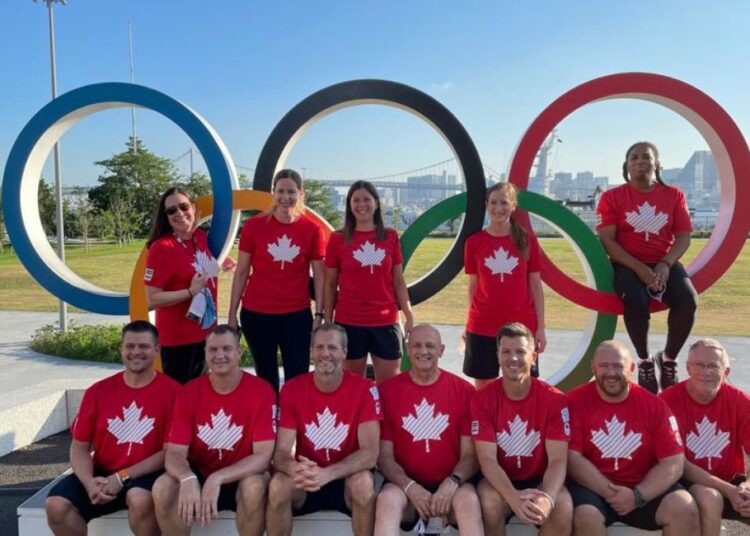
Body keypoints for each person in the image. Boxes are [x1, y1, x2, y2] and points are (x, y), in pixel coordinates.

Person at [45, 321, 181, 536]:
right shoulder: (98, 392)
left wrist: (122, 476)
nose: (136, 352)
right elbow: (79, 447)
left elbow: (170, 453)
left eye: (143, 346)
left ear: (157, 350)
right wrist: (89, 482)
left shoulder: (175, 394)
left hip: (148, 474)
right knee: (56, 505)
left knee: (140, 498)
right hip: (103, 472)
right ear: (121, 349)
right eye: (130, 346)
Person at [152, 325, 276, 536]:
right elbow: (174, 453)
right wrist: (186, 477)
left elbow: (263, 457)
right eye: (213, 350)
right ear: (205, 353)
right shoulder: (189, 392)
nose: (220, 356)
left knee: (255, 486)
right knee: (162, 488)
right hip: (200, 470)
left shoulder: (262, 391)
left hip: (242, 473)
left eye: (227, 349)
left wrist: (218, 478)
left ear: (239, 353)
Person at [566, 340, 698, 535]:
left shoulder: (655, 406)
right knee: (585, 516)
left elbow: (673, 462)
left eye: (619, 366)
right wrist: (612, 493)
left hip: (642, 487)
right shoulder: (573, 402)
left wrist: (637, 496)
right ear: (593, 366)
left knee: (683, 507)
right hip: (592, 489)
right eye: (604, 366)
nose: (611, 373)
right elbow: (572, 459)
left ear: (632, 367)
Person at [596, 141, 697, 394]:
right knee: (636, 301)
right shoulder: (612, 197)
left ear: (657, 164)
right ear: (626, 166)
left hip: (664, 260)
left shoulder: (674, 195)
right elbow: (607, 239)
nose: (641, 161)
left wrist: (665, 264)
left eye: (647, 157)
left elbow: (684, 235)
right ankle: (644, 361)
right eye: (634, 158)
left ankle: (669, 359)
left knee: (688, 300)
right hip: (626, 263)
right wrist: (639, 269)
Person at [266, 323, 381, 536]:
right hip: (308, 478)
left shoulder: (365, 389)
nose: (325, 353)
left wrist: (328, 473)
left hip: (346, 476)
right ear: (311, 351)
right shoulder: (292, 389)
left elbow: (370, 454)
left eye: (332, 347)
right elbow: (281, 453)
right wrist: (294, 469)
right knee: (278, 485)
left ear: (344, 352)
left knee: (364, 483)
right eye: (319, 347)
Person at [376, 324, 483, 535]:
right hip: (404, 486)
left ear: (441, 350)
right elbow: (384, 457)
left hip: (452, 484)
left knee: (469, 501)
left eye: (430, 346)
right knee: (388, 500)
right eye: (416, 345)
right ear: (408, 349)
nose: (423, 351)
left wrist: (453, 483)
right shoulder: (387, 392)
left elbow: (471, 455)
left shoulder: (464, 392)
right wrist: (410, 487)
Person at [228, 169, 326, 392]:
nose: (285, 197)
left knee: (298, 376)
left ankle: (293, 424)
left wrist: (320, 314)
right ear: (274, 193)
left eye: (291, 192)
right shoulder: (254, 226)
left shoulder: (312, 229)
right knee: (265, 376)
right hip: (257, 314)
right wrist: (232, 314)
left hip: (296, 315)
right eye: (280, 191)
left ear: (301, 194)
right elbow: (241, 271)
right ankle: (269, 420)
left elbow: (319, 275)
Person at [471, 322, 571, 535]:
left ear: (533, 357)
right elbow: (487, 460)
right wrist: (513, 498)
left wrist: (547, 499)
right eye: (506, 351)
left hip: (539, 479)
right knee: (489, 501)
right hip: (499, 478)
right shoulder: (483, 399)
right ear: (497, 356)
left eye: (520, 352)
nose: (513, 358)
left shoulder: (554, 399)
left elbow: (558, 460)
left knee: (562, 505)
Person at [324, 180, 414, 384]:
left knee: (390, 388)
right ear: (349, 205)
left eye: (366, 199)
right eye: (355, 200)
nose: (361, 204)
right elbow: (330, 284)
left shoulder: (390, 236)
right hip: (349, 322)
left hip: (385, 321)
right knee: (354, 387)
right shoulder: (338, 239)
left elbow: (398, 280)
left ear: (377, 203)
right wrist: (328, 321)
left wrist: (408, 314)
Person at [660, 338, 750, 535]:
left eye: (713, 366)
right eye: (699, 365)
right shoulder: (667, 401)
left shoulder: (741, 401)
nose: (706, 372)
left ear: (725, 372)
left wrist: (746, 487)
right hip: (683, 480)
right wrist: (729, 490)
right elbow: (676, 463)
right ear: (688, 368)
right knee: (710, 497)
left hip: (731, 481)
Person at [464, 182, 545, 389]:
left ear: (513, 206)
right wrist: (468, 323)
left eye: (504, 203)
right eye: (493, 202)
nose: (498, 208)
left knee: (524, 385)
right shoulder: (474, 242)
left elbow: (536, 286)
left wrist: (541, 328)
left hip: (522, 325)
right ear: (486, 205)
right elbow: (473, 286)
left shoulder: (527, 241)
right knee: (483, 385)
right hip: (483, 324)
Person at [145, 187, 226, 384]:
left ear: (194, 208)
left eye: (183, 206)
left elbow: (197, 263)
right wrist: (190, 292)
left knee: (202, 397)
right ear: (165, 217)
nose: (179, 214)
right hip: (178, 341)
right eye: (171, 211)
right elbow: (152, 299)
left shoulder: (200, 237)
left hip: (206, 335)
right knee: (182, 401)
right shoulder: (162, 248)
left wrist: (223, 262)